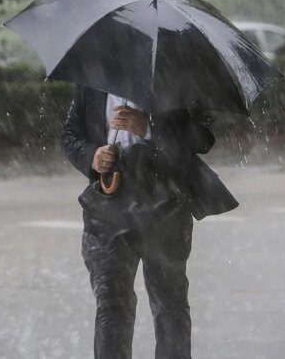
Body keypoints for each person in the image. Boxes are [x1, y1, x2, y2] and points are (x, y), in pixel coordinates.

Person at [62, 85, 238, 359]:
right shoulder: (93, 79)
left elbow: (202, 139)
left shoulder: (174, 75)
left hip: (166, 201)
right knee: (111, 306)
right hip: (108, 207)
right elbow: (70, 135)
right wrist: (92, 157)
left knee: (169, 305)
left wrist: (149, 127)